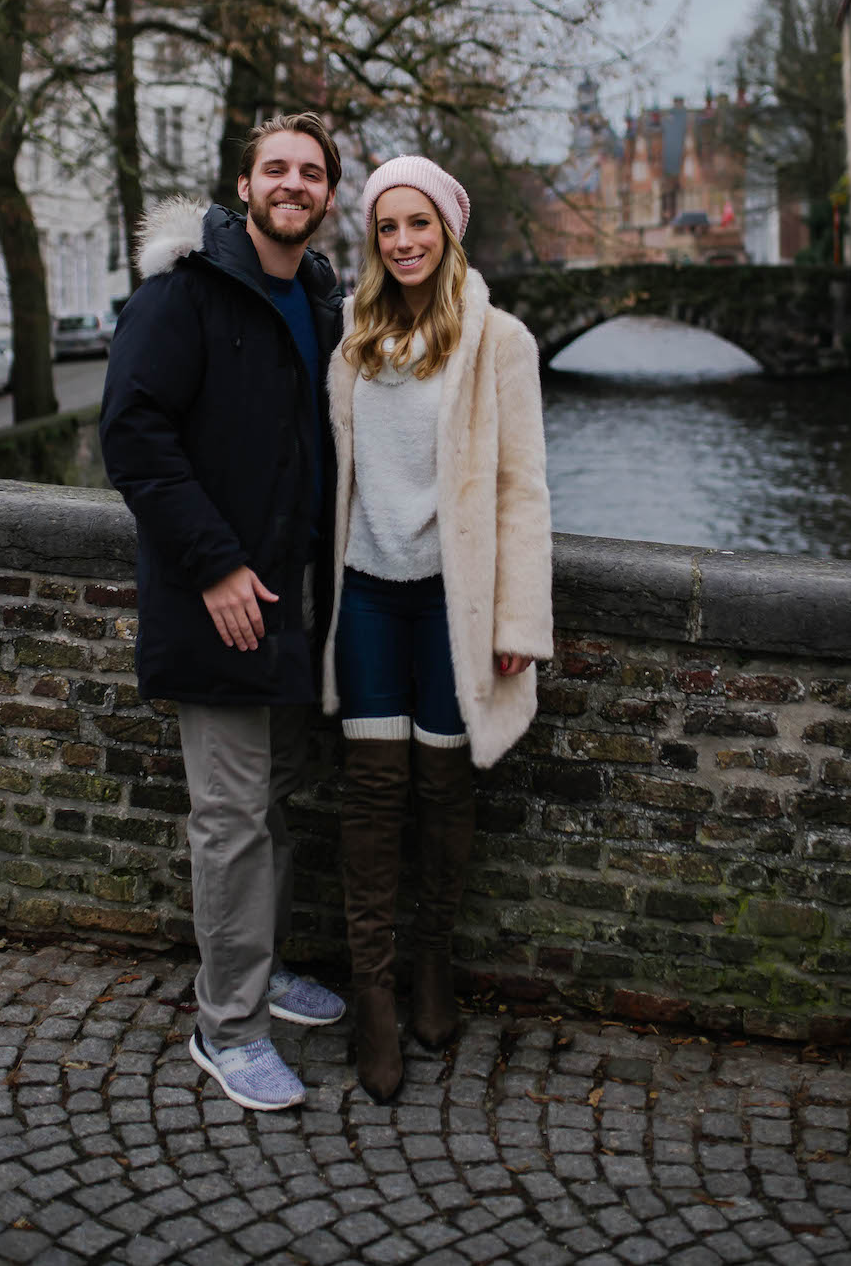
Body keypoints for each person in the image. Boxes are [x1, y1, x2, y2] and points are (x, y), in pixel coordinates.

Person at [100, 112, 347, 1113]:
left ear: (328, 197)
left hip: (296, 608)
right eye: (276, 169)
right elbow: (133, 432)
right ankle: (228, 1025)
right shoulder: (184, 295)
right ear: (243, 188)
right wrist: (212, 567)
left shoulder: (320, 296)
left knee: (277, 800)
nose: (294, 183)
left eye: (312, 172)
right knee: (233, 819)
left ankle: (261, 967)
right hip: (221, 605)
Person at [322, 155, 553, 1102]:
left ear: (448, 231)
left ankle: (431, 966)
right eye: (387, 227)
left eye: (419, 224)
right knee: (374, 795)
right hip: (369, 593)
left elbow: (523, 489)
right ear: (373, 240)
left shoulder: (499, 341)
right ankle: (373, 993)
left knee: (445, 790)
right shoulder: (351, 335)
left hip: (453, 605)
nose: (404, 241)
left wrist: (517, 619)